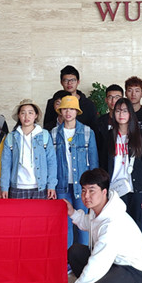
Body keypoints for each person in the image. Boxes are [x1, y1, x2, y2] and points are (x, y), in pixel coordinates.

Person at [65, 168, 142, 283]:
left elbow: (99, 262)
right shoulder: (98, 209)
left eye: (92, 191)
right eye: (84, 190)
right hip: (114, 263)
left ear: (104, 191)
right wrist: (72, 213)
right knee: (75, 252)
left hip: (132, 270)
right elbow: (89, 223)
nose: (86, 196)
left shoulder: (112, 223)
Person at [105, 98, 142, 240]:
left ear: (130, 114)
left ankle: (139, 254)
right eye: (117, 111)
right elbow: (103, 163)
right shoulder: (109, 136)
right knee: (118, 226)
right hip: (116, 188)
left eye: (125, 111)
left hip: (137, 188)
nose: (121, 114)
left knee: (139, 225)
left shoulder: (141, 136)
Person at [51, 95, 99, 248]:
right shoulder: (54, 133)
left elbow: (93, 161)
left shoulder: (87, 132)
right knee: (65, 223)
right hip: (61, 185)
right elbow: (51, 162)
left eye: (72, 109)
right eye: (65, 109)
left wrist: (93, 186)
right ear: (60, 111)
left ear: (77, 111)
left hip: (83, 186)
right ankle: (67, 257)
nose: (68, 112)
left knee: (84, 222)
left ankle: (84, 256)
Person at [0, 99, 57, 199]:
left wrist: (51, 185)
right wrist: (4, 187)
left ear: (36, 115)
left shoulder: (44, 135)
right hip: (17, 186)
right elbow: (5, 164)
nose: (26, 116)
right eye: (23, 113)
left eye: (30, 113)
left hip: (39, 186)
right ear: (19, 115)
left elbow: (51, 162)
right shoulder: (11, 137)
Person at [43, 65, 98, 131]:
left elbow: (94, 128)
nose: (69, 83)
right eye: (66, 80)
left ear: (78, 82)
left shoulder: (88, 104)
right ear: (61, 82)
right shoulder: (53, 102)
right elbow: (46, 127)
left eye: (73, 80)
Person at [95, 84, 123, 168]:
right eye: (110, 97)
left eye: (117, 97)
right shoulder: (99, 122)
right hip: (104, 164)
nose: (113, 100)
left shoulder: (127, 121)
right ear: (106, 100)